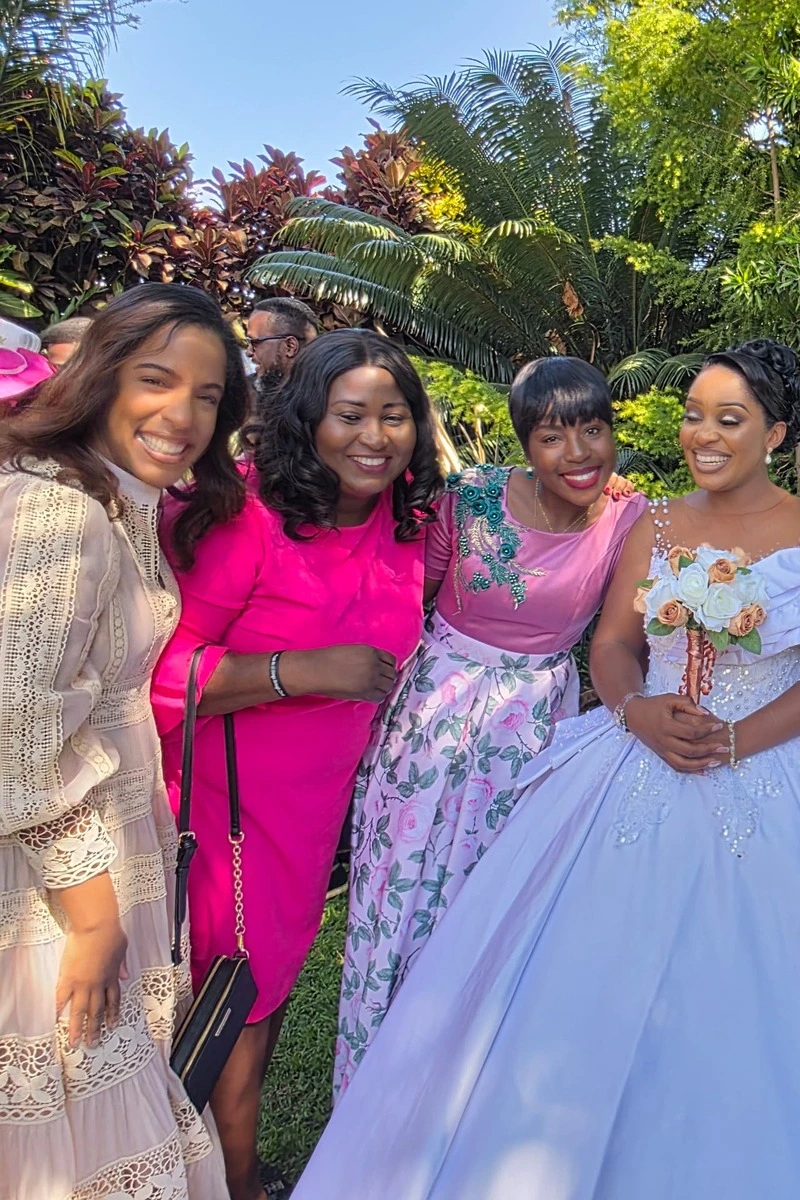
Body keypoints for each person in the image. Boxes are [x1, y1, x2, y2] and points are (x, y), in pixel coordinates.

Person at [292, 340, 800, 1200]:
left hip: (779, 764)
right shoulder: (652, 523)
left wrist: (740, 740)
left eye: (729, 419)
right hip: (638, 757)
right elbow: (615, 644)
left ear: (775, 432)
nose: (704, 435)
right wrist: (636, 711)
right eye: (693, 417)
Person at [149, 329, 442, 1200]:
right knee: (229, 1003)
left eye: (395, 415)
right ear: (308, 418)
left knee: (261, 992)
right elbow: (157, 674)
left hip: (308, 815)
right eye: (350, 415)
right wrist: (299, 672)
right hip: (220, 807)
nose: (374, 437)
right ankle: (231, 1181)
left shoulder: (405, 522)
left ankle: (225, 1169)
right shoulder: (247, 517)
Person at [334, 356, 646, 1097]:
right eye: (552, 437)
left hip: (533, 728)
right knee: (399, 886)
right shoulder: (471, 498)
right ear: (524, 445)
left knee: (493, 901)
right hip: (432, 716)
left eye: (593, 431)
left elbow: (624, 636)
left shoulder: (631, 518)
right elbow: (411, 599)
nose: (578, 454)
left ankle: (462, 1096)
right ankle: (371, 1089)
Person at [0, 283, 249, 1199]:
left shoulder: (108, 500)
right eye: (157, 380)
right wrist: (95, 918)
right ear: (102, 375)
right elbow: (15, 734)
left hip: (99, 866)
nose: (182, 415)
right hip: (55, 894)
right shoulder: (58, 511)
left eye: (208, 396)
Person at [243, 296, 318, 396]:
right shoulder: (244, 393)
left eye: (255, 342)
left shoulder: (327, 398)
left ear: (290, 346)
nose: (249, 352)